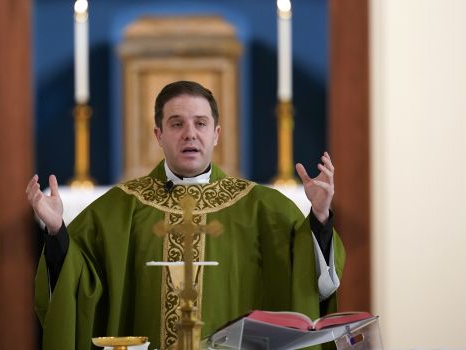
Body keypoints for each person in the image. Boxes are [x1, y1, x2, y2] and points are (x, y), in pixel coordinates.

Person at [26, 81, 345, 350]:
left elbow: (308, 283)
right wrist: (56, 232)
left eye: (200, 123)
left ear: (216, 133)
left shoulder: (264, 208)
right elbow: (76, 288)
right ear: (158, 135)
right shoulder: (120, 208)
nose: (189, 134)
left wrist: (319, 217)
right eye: (177, 124)